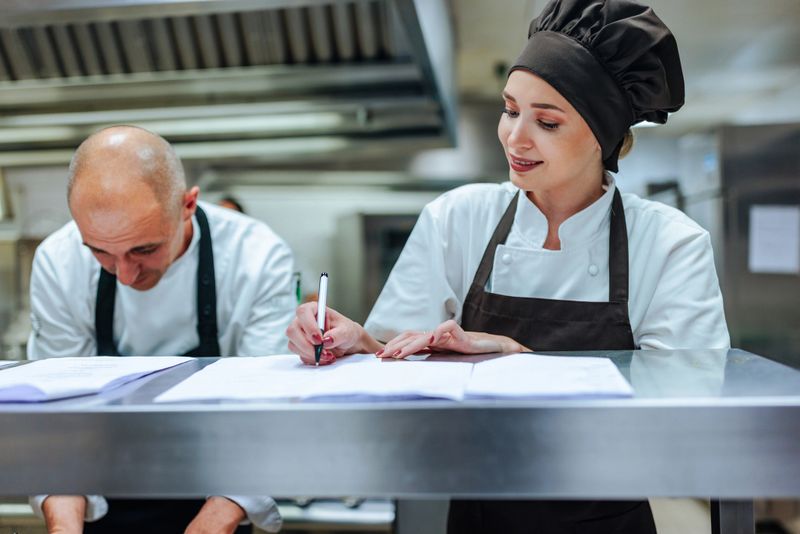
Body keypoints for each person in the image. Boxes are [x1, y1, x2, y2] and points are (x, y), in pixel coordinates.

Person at [287, 0, 730, 532]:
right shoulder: (458, 216)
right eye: (509, 108)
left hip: (607, 516)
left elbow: (685, 412)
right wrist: (359, 344)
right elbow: (401, 370)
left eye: (545, 121)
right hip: (477, 511)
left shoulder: (669, 243)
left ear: (602, 134)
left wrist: (514, 355)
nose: (515, 137)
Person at [28, 125, 294, 534]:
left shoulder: (255, 256)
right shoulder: (58, 261)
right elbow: (60, 416)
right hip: (99, 487)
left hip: (221, 482)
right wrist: (64, 525)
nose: (125, 275)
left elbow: (265, 405)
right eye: (100, 251)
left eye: (144, 249)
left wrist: (216, 521)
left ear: (187, 205)